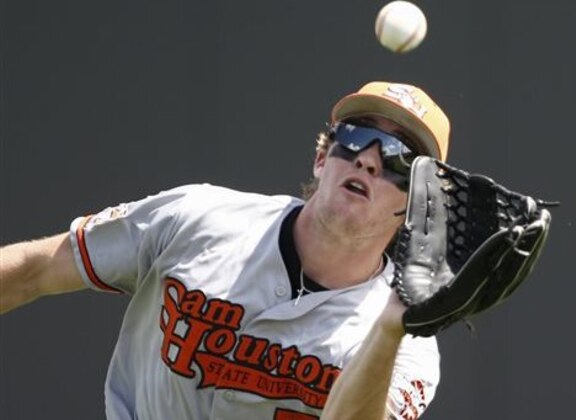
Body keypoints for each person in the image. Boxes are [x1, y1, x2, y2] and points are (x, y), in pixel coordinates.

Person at [0, 81, 451, 420]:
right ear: (321, 158)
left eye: (398, 158)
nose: (367, 158)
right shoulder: (196, 218)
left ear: (416, 203)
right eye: (354, 136)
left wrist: (391, 328)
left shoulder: (404, 342)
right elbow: (33, 271)